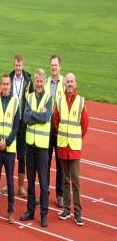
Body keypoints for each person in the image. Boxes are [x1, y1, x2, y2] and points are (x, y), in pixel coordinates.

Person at [55, 73, 89, 226]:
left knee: (75, 181)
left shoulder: (81, 102)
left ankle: (78, 212)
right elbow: (56, 121)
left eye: (71, 82)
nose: (69, 84)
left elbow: (84, 124)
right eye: (67, 81)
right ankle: (67, 209)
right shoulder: (60, 100)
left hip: (74, 148)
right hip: (63, 146)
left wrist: (75, 137)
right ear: (65, 84)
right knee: (65, 180)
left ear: (75, 84)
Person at [20, 69, 53, 228]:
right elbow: (25, 118)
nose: (39, 84)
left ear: (44, 82)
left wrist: (33, 115)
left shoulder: (48, 98)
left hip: (41, 147)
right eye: (37, 81)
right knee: (31, 182)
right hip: (30, 146)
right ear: (34, 82)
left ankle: (44, 214)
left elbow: (46, 118)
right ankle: (30, 210)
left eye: (41, 81)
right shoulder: (30, 97)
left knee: (44, 183)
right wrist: (35, 115)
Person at [0, 75, 19, 223]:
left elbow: (15, 127)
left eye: (8, 84)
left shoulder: (15, 102)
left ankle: (11, 211)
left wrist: (6, 142)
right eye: (4, 84)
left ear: (10, 85)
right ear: (0, 85)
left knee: (10, 182)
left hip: (9, 150)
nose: (6, 86)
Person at [2, 54, 33, 198]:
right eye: (16, 65)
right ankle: (9, 184)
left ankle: (20, 186)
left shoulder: (28, 81)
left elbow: (32, 99)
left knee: (22, 155)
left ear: (23, 65)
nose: (18, 68)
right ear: (13, 65)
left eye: (20, 65)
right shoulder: (9, 78)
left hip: (23, 123)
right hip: (11, 120)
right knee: (9, 153)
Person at [45, 54, 65, 208]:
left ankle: (60, 194)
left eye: (56, 65)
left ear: (60, 66)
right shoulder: (45, 83)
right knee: (45, 163)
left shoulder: (65, 83)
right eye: (52, 65)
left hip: (59, 129)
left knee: (60, 164)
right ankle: (45, 192)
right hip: (46, 129)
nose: (53, 67)